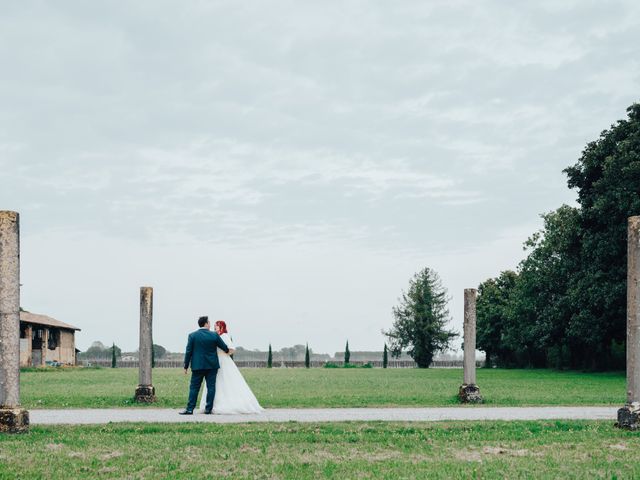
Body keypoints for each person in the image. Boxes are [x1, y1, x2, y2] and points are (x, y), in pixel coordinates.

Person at [199, 320, 263, 414]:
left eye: (217, 326)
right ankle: (210, 405)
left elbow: (232, 349)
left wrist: (223, 353)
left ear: (221, 327)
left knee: (226, 380)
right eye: (214, 326)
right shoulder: (214, 336)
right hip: (214, 361)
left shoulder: (224, 336)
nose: (215, 327)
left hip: (223, 361)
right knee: (213, 383)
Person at [179, 316, 232, 415]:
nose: (210, 324)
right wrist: (227, 351)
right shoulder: (214, 335)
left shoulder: (192, 335)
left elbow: (188, 352)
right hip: (212, 366)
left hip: (197, 366)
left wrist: (186, 366)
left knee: (194, 387)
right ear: (206, 324)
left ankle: (190, 409)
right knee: (211, 387)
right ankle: (208, 409)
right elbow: (224, 347)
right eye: (209, 322)